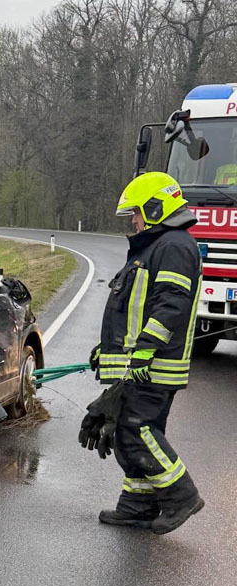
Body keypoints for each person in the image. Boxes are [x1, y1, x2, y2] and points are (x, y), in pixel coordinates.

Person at [86, 172, 205, 535]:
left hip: (154, 366)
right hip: (141, 363)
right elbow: (133, 310)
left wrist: (145, 351)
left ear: (156, 208)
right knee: (128, 432)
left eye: (136, 213)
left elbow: (170, 304)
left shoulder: (172, 246)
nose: (134, 222)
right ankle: (137, 504)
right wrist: (106, 351)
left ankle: (181, 495)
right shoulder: (157, 246)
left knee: (138, 431)